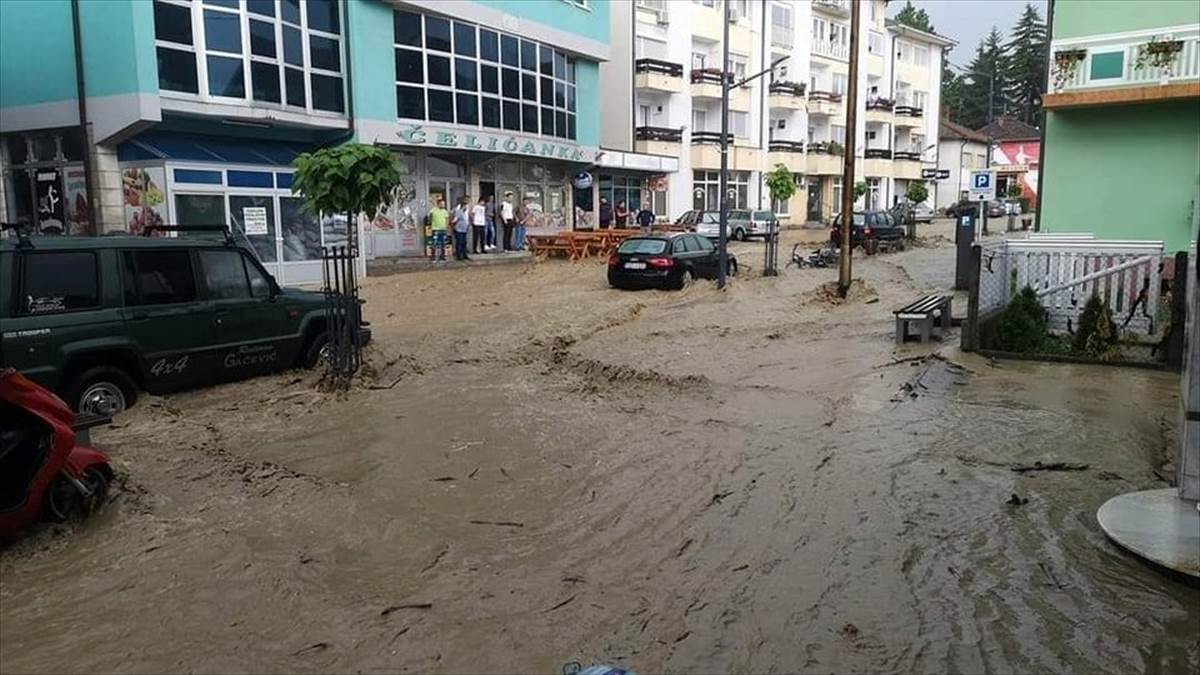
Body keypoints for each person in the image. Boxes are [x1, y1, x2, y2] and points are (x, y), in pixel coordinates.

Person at [428, 198, 449, 263]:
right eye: (442, 204)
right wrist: (431, 225)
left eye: (444, 204)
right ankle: (433, 257)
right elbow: (430, 218)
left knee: (443, 244)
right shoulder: (432, 211)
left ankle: (442, 257)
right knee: (434, 243)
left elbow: (447, 219)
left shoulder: (445, 211)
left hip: (443, 229)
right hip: (435, 229)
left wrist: (446, 226)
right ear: (438, 204)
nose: (443, 205)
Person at [452, 196, 471, 261]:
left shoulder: (466, 212)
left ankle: (464, 255)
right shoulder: (459, 211)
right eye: (465, 206)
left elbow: (467, 219)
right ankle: (459, 256)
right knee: (459, 242)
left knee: (464, 242)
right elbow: (455, 220)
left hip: (464, 229)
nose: (466, 207)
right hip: (459, 229)